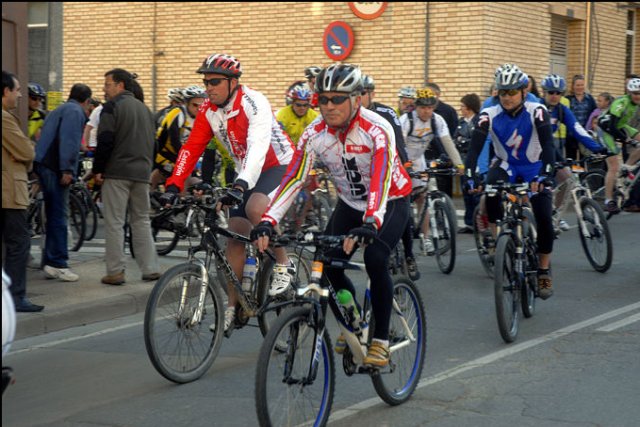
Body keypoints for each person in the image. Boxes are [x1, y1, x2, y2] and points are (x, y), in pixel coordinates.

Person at [252, 63, 412, 367]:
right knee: (326, 263)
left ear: (356, 99)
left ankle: (380, 338)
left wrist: (371, 222)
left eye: (337, 99)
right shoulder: (314, 133)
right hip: (350, 204)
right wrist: (268, 220)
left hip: (390, 201)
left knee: (375, 258)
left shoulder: (377, 128)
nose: (328, 106)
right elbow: (295, 178)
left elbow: (380, 178)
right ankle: (353, 319)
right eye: (322, 99)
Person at [160, 53, 296, 332]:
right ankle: (235, 307)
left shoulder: (254, 102)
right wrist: (174, 185)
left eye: (215, 82)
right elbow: (192, 148)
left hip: (279, 165)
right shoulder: (209, 110)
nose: (208, 87)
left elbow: (258, 148)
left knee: (255, 208)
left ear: (233, 82)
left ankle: (284, 263)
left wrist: (240, 186)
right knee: (235, 234)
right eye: (206, 82)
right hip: (246, 171)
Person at [465, 63, 555, 299]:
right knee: (491, 193)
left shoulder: (537, 110)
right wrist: (470, 174)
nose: (507, 97)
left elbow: (548, 145)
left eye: (512, 92)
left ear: (524, 91)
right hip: (507, 166)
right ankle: (500, 241)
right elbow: (474, 148)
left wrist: (546, 174)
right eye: (503, 92)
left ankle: (543, 269)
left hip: (534, 167)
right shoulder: (489, 114)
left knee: (545, 218)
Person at [92, 68, 161, 285]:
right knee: (141, 221)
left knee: (115, 222)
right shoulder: (145, 110)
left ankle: (115, 271)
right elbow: (155, 145)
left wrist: (98, 170)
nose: (104, 89)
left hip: (117, 172)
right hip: (142, 174)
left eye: (107, 84)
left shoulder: (112, 107)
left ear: (120, 85)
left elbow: (105, 140)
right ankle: (150, 268)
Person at [360, 73, 418, 280]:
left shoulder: (386, 113)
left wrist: (406, 164)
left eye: (363, 93)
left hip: (391, 166)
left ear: (372, 94)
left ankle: (409, 255)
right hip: (366, 175)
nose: (359, 97)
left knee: (404, 212)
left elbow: (398, 142)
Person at [34, 83, 93, 282]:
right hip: (55, 167)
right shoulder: (75, 111)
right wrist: (67, 169)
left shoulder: (59, 109)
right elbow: (69, 141)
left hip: (44, 164)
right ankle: (58, 263)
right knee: (59, 215)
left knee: (53, 215)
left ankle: (49, 261)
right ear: (86, 101)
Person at [401, 87, 463, 255]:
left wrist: (459, 164)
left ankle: (426, 237)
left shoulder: (437, 120)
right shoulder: (406, 120)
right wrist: (405, 165)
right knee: (402, 199)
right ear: (416, 106)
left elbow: (447, 142)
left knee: (423, 197)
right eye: (423, 107)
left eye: (430, 107)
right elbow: (398, 146)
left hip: (419, 159)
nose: (426, 111)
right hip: (402, 159)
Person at [540, 74, 607, 229]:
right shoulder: (536, 107)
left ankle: (553, 214)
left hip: (549, 147)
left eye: (558, 93)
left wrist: (598, 148)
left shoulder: (561, 110)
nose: (554, 96)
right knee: (541, 183)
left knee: (567, 179)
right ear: (544, 92)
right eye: (551, 92)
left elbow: (577, 129)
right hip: (530, 150)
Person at [2, 71, 44, 312]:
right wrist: (27, 150)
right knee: (19, 244)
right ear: (5, 91)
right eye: (17, 90)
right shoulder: (4, 119)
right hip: (9, 192)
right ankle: (14, 298)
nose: (20, 95)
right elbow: (28, 152)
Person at [151, 85, 207, 191]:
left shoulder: (200, 117)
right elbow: (174, 139)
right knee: (181, 172)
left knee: (188, 173)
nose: (198, 108)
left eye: (202, 105)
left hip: (177, 153)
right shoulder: (178, 113)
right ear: (186, 103)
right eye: (195, 105)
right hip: (161, 151)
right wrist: (185, 159)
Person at [597, 78, 640, 213]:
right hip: (606, 129)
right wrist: (627, 140)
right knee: (613, 166)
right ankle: (608, 200)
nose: (638, 96)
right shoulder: (621, 102)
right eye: (635, 93)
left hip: (620, 126)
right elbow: (612, 126)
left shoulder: (636, 103)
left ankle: (626, 167)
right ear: (629, 92)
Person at [455, 93, 481, 234]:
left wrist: (464, 141)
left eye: (463, 106)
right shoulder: (461, 122)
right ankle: (469, 222)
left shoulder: (478, 121)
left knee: (475, 192)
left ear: (470, 107)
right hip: (463, 160)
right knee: (466, 191)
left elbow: (475, 141)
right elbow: (455, 139)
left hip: (475, 161)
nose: (461, 109)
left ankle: (479, 222)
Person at [566, 75, 597, 160]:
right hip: (571, 135)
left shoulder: (590, 99)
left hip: (585, 134)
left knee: (584, 160)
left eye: (582, 85)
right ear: (573, 86)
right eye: (577, 85)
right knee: (571, 159)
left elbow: (595, 115)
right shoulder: (568, 99)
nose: (580, 87)